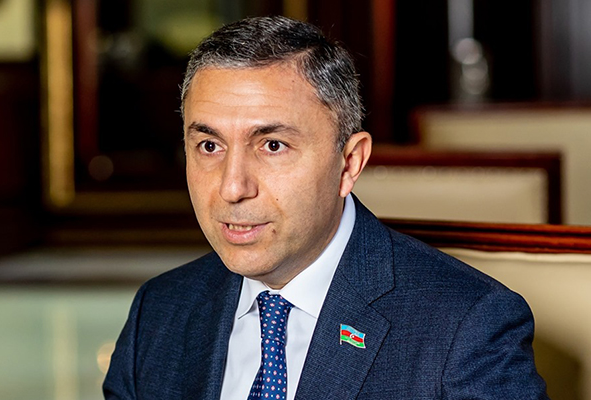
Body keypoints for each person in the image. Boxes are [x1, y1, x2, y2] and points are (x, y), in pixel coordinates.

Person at [103, 16, 548, 399]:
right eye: (209, 145)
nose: (232, 188)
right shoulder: (158, 312)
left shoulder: (467, 328)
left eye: (272, 145)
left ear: (349, 163)